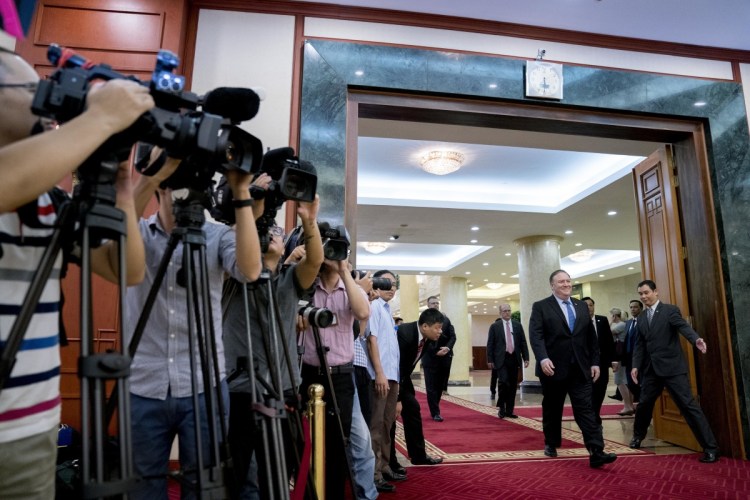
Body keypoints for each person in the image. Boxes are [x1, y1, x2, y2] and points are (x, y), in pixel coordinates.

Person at [0, 48, 154, 498]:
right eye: (34, 91)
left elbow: (126, 270)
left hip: (33, 429)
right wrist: (99, 120)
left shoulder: (51, 203)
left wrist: (123, 190)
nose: (47, 104)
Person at [126, 150, 264, 499]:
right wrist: (154, 174)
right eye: (176, 185)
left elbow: (250, 271)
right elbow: (114, 239)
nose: (187, 194)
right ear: (161, 190)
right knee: (142, 488)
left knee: (204, 488)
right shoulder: (136, 232)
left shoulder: (218, 236)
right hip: (143, 383)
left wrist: (242, 191)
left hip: (204, 383)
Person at [222, 195, 323, 499]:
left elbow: (315, 260)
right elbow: (239, 249)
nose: (272, 234)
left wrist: (309, 220)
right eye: (265, 230)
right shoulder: (233, 274)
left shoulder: (291, 279)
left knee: (277, 475)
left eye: (277, 231)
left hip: (283, 390)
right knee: (238, 475)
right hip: (238, 389)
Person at [528, 270, 617, 468]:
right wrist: (542, 358)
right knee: (553, 407)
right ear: (552, 285)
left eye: (568, 280)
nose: (566, 284)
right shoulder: (541, 306)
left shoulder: (581, 306)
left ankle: (596, 451)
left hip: (580, 368)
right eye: (561, 281)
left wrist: (595, 362)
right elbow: (536, 335)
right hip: (552, 368)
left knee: (586, 409)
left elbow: (591, 338)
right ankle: (551, 442)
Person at [299, 254, 370, 500]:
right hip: (307, 374)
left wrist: (344, 272)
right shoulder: (307, 285)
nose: (330, 255)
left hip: (340, 377)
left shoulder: (349, 288)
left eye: (337, 250)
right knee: (305, 442)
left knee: (339, 444)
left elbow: (362, 312)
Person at [628, 280, 720, 463]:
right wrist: (635, 365)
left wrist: (696, 340)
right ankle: (638, 436)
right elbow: (640, 345)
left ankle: (711, 448)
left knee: (688, 406)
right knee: (644, 404)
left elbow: (683, 327)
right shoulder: (642, 317)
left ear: (656, 292)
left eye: (646, 292)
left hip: (672, 369)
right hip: (651, 371)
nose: (643, 297)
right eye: (640, 294)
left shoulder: (670, 310)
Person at [395, 308, 445, 465]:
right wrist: (396, 398)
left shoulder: (427, 338)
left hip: (403, 377)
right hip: (390, 378)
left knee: (413, 410)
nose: (440, 331)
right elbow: (396, 366)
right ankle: (390, 462)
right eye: (437, 327)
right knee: (390, 419)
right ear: (425, 326)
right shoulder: (405, 334)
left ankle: (418, 456)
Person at [366, 270, 400, 493]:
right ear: (376, 284)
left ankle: (385, 466)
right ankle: (374, 474)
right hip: (380, 376)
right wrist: (379, 373)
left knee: (388, 425)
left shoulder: (388, 310)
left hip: (392, 375)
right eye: (386, 282)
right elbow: (372, 340)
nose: (392, 287)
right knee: (376, 426)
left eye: (395, 284)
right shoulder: (374, 306)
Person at [486, 303, 529, 419]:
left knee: (512, 386)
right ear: (500, 313)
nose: (507, 313)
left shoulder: (517, 325)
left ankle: (509, 410)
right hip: (501, 359)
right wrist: (489, 359)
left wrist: (526, 357)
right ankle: (502, 408)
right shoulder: (495, 326)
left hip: (514, 358)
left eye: (509, 310)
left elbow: (523, 342)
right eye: (504, 311)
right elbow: (490, 344)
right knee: (503, 382)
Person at [582, 297, 617, 425]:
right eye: (585, 305)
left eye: (591, 305)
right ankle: (590, 416)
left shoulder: (601, 320)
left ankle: (595, 413)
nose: (589, 307)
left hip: (602, 362)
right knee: (588, 391)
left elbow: (609, 341)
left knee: (601, 389)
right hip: (585, 364)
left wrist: (614, 359)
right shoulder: (578, 321)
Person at [422, 296, 456, 421]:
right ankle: (435, 412)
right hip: (429, 358)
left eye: (437, 303)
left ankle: (435, 407)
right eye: (433, 303)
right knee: (431, 386)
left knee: (439, 386)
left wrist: (446, 348)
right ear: (428, 305)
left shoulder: (445, 320)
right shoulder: (423, 320)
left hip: (444, 357)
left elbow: (453, 336)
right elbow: (423, 338)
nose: (435, 305)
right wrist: (434, 351)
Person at [609, 307, 634, 416]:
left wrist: (610, 322)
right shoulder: (625, 324)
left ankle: (627, 406)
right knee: (626, 380)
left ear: (615, 315)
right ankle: (630, 406)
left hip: (619, 355)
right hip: (624, 355)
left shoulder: (621, 325)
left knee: (619, 381)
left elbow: (607, 333)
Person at [622, 299, 643, 403]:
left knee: (641, 381)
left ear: (641, 308)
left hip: (640, 358)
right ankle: (639, 401)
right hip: (628, 357)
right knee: (630, 383)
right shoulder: (629, 322)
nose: (632, 309)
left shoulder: (644, 321)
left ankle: (642, 404)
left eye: (635, 307)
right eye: (631, 307)